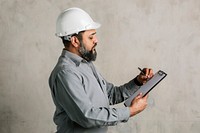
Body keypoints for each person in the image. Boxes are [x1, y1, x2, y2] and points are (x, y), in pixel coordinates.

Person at [49, 7, 153, 133]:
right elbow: (86, 116)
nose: (96, 40)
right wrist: (130, 111)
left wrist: (137, 82)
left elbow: (110, 95)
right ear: (75, 41)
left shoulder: (85, 64)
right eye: (91, 37)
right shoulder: (65, 73)